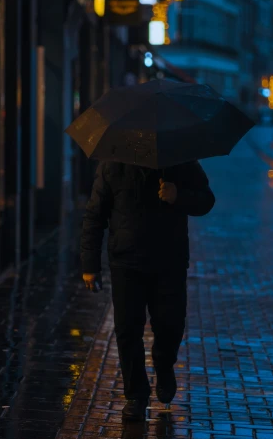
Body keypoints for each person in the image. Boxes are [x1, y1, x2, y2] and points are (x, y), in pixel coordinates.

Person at [81, 161, 215, 422]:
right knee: (127, 330)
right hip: (126, 262)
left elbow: (206, 200)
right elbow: (95, 215)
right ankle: (135, 396)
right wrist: (90, 265)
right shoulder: (113, 165)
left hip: (169, 261)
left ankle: (164, 366)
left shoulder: (180, 161)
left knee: (170, 324)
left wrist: (179, 196)